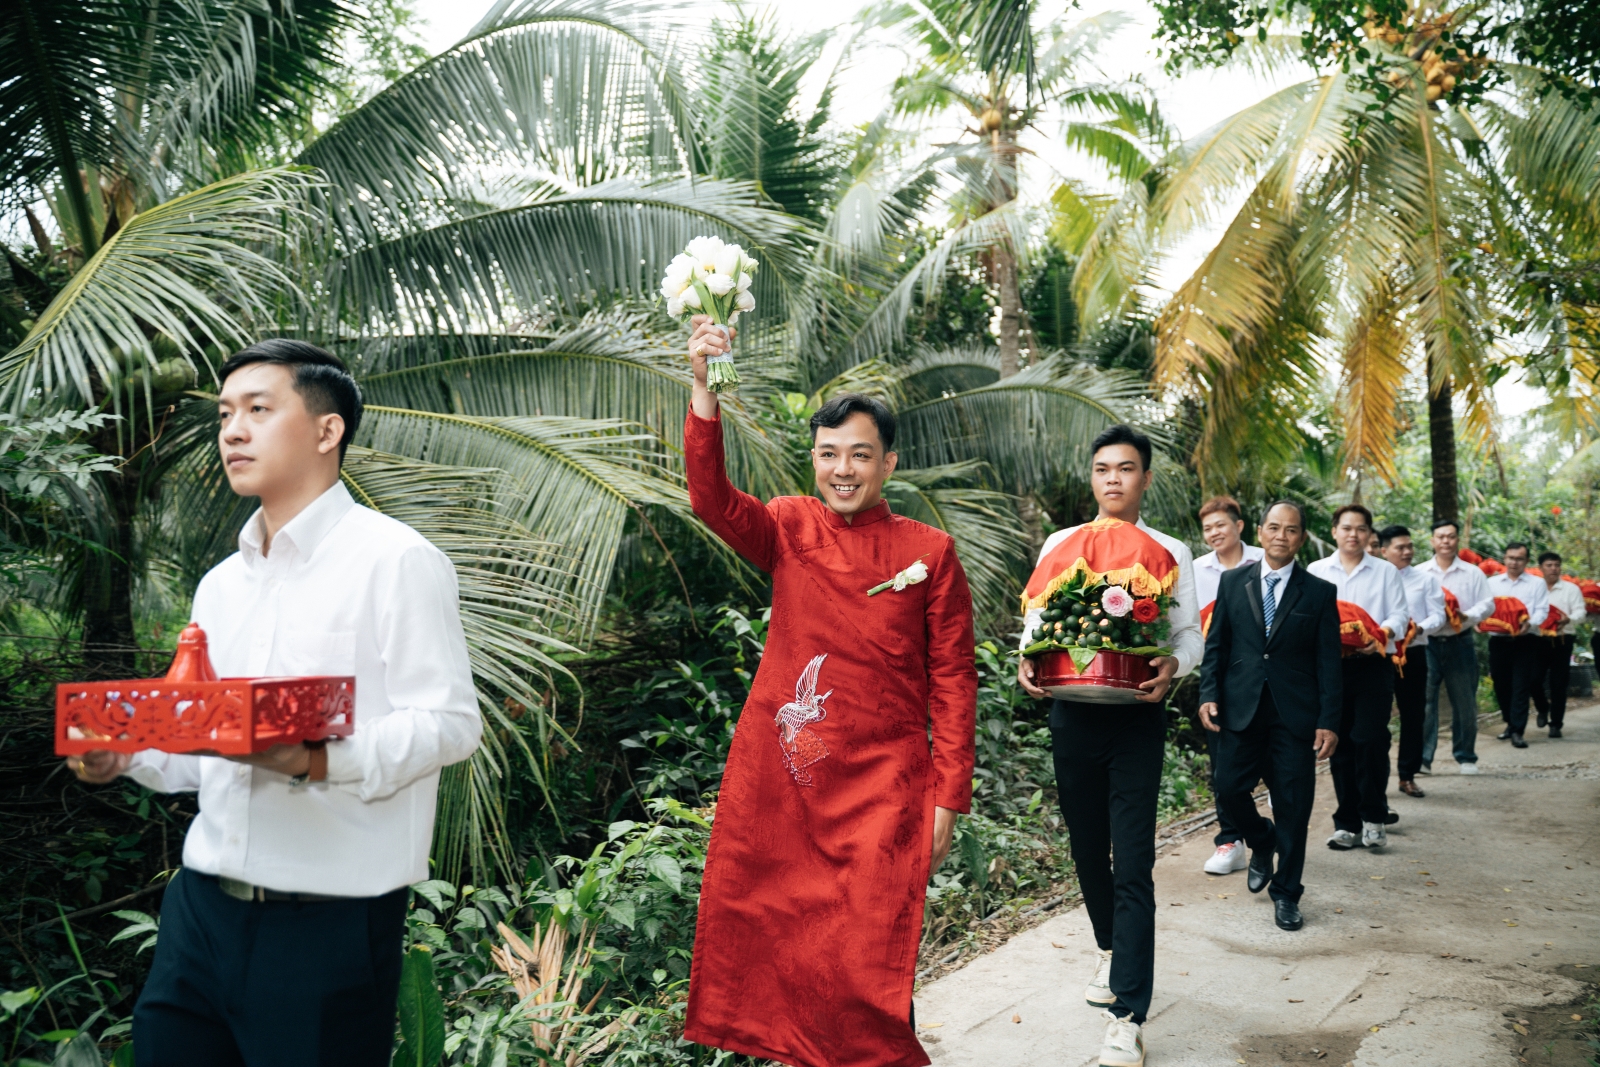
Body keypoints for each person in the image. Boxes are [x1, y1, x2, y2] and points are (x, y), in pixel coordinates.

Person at [65, 341, 480, 1066]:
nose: (233, 430)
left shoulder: (397, 560)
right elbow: (201, 742)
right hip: (199, 911)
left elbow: (450, 724)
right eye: (226, 414)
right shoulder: (222, 584)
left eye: (258, 409)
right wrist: (119, 754)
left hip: (327, 925)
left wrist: (315, 758)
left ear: (327, 430)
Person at [679, 318, 977, 1067]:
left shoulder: (929, 551)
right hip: (791, 776)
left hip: (886, 786)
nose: (844, 470)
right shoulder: (786, 525)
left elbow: (953, 678)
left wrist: (948, 795)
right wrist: (705, 387)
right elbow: (711, 500)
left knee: (871, 952)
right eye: (828, 454)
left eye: (860, 454)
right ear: (813, 458)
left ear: (889, 463)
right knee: (785, 948)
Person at [1017, 425, 1202, 1067]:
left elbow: (1189, 635)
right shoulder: (1061, 544)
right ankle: (1109, 946)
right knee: (1087, 848)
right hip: (1073, 714)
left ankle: (1128, 1016)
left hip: (1136, 719)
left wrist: (1174, 667)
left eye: (1125, 468)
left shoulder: (1170, 550)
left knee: (1135, 863)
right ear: (1092, 477)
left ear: (1145, 478)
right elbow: (1036, 624)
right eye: (1103, 469)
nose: (1113, 479)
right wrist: (1026, 659)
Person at [1198, 501, 1340, 931]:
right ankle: (1262, 840)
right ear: (1259, 532)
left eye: (1291, 530)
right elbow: (1217, 645)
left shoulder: (1319, 592)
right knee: (1228, 787)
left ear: (1301, 538)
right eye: (1274, 527)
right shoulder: (1232, 581)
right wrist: (1208, 693)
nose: (1282, 536)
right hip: (1240, 708)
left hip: (1295, 716)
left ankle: (1287, 894)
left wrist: (1329, 719)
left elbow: (1329, 662)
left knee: (1294, 807)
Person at [1307, 505, 1410, 851]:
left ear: (1369, 534)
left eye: (1361, 529)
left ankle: (1374, 817)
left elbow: (1400, 613)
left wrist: (1380, 634)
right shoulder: (1316, 571)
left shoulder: (1385, 571)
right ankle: (1347, 823)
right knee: (1338, 744)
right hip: (1330, 670)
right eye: (1347, 528)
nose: (1354, 535)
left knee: (1370, 739)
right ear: (1334, 531)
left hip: (1373, 665)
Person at [1191, 496, 1266, 877]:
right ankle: (1231, 840)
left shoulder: (1266, 560)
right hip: (1219, 675)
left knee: (1273, 759)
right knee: (1222, 765)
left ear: (1239, 526)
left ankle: (1276, 838)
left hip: (1265, 676)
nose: (1214, 533)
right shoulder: (1195, 570)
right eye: (1208, 528)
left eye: (1221, 525)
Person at [1415, 520, 1494, 774]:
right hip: (1427, 643)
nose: (1445, 541)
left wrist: (1466, 615)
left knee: (1464, 701)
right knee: (1425, 701)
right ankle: (1423, 758)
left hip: (1460, 641)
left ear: (1458, 540)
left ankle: (1466, 756)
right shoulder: (1419, 572)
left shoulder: (1473, 573)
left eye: (1450, 536)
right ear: (1432, 541)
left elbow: (1488, 604)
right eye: (1440, 537)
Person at [1377, 526, 1446, 798]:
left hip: (1413, 654)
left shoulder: (1425, 580)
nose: (1407, 552)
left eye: (1410, 546)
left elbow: (1438, 615)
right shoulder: (1375, 577)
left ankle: (1407, 776)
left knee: (1413, 715)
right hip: (1379, 655)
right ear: (1384, 551)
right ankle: (1375, 780)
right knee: (1376, 718)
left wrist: (1420, 628)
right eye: (1400, 547)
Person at [1485, 543, 1550, 748]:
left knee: (1521, 685)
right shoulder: (1492, 583)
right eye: (1511, 558)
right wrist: (1479, 622)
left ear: (1526, 561)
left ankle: (1517, 731)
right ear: (1504, 558)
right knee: (1501, 684)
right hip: (1498, 641)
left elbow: (1542, 610)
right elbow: (1485, 608)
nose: (1514, 562)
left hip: (1526, 640)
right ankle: (1510, 723)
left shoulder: (1537, 583)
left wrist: (1529, 623)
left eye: (1519, 559)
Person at [1532, 551, 1583, 739]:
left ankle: (1556, 724)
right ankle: (1542, 707)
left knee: (1559, 683)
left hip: (1562, 640)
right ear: (1541, 568)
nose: (1553, 569)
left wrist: (1568, 619)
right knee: (1533, 679)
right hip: (1537, 640)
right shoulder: (1534, 588)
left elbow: (1580, 612)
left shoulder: (1571, 589)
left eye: (1556, 565)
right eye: (1549, 565)